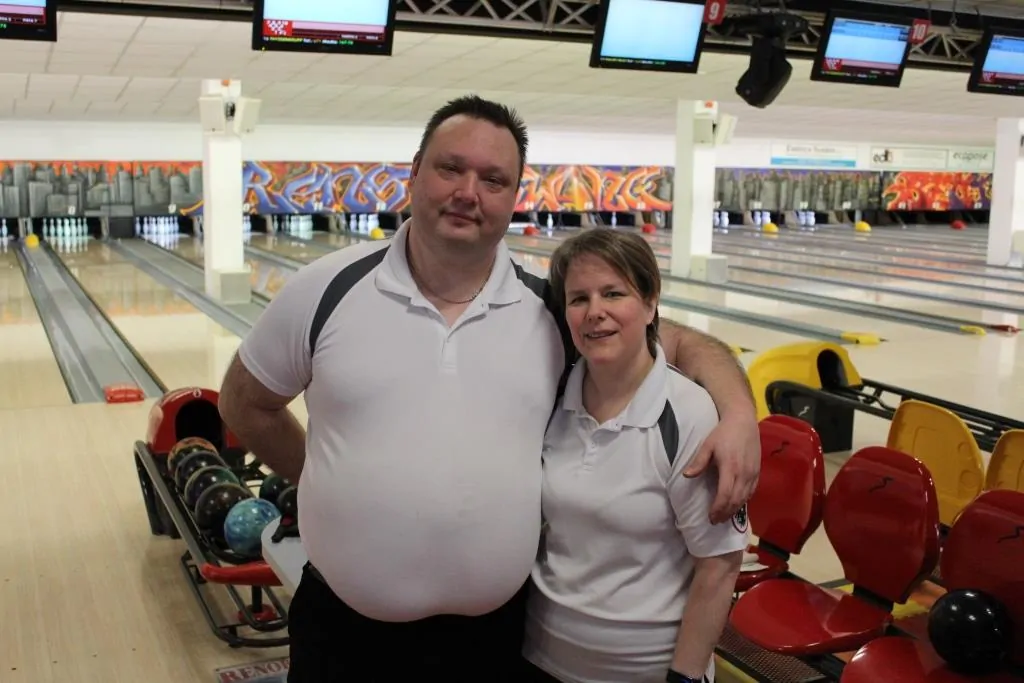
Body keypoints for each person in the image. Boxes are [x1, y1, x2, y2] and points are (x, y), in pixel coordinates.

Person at [217, 94, 759, 682]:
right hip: (344, 631)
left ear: (514, 196)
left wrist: (737, 415)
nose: (468, 192)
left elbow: (676, 342)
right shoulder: (326, 288)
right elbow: (245, 403)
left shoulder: (551, 310)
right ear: (414, 172)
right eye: (451, 168)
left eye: (493, 179)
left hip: (497, 641)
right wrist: (327, 480)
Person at [521, 228, 747, 683]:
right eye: (579, 298)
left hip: (644, 668)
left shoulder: (688, 414)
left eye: (613, 293)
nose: (595, 312)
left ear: (649, 302)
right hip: (540, 654)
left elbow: (719, 566)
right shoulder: (554, 397)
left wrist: (685, 676)